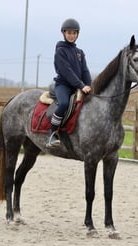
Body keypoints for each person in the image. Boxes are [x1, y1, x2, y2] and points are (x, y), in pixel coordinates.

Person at [46, 18, 92, 148]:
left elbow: (84, 70)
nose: (71, 36)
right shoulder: (60, 50)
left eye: (74, 33)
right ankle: (52, 133)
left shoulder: (80, 53)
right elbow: (67, 71)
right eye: (69, 33)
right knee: (64, 103)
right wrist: (81, 86)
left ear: (77, 34)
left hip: (78, 85)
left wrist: (89, 85)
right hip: (63, 85)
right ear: (63, 33)